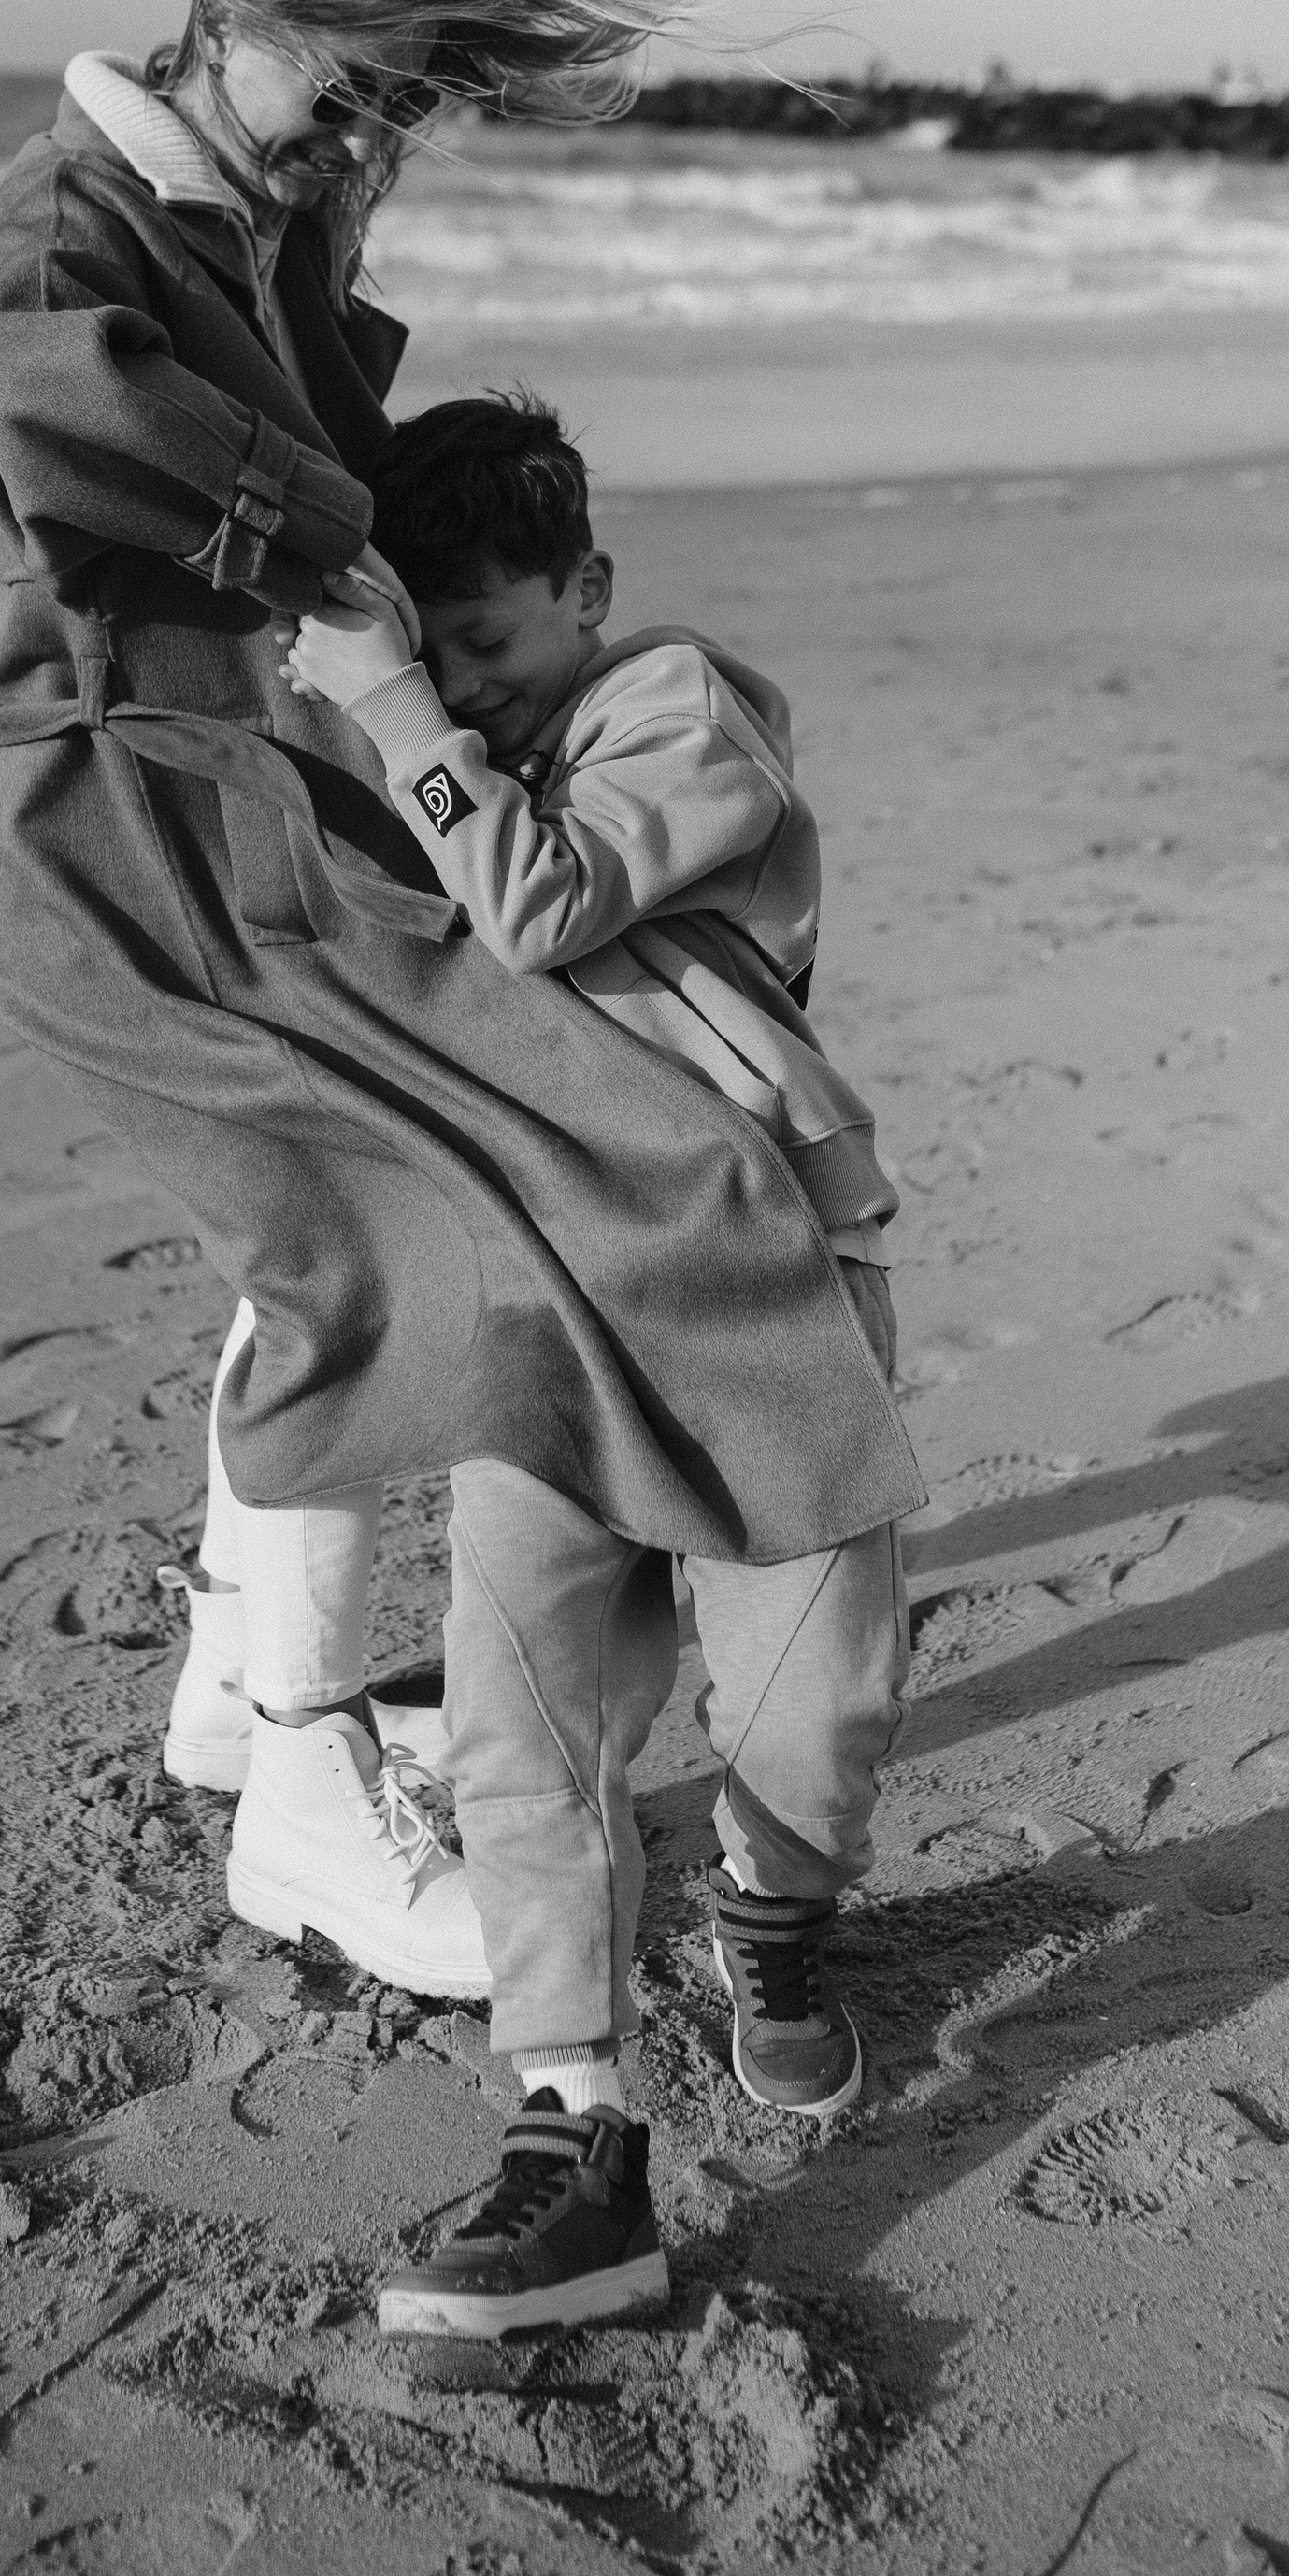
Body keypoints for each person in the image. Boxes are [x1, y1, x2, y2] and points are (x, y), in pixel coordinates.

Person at [0, 0, 922, 2326]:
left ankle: (273, 1706)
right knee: (374, 1235)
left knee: (401, 1216)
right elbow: (64, 419)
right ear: (232, 15)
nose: (359, 142)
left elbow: (326, 461)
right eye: (341, 95)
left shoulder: (263, 210)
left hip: (253, 802)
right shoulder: (62, 232)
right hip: (110, 826)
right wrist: (342, 567)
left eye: (395, 111)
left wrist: (321, 278)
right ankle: (298, 1763)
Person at [278, 394, 910, 2337]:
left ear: (588, 594)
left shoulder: (675, 713)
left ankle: (774, 1920)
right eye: (428, 644)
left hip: (755, 1282)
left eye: (490, 642)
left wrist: (398, 710)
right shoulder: (415, 752)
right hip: (539, 1298)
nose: (458, 684)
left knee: (811, 1699)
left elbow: (539, 900)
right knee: (518, 1709)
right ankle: (566, 2112)